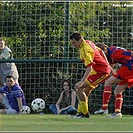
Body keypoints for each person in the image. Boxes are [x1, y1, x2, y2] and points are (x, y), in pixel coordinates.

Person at [69, 32, 111, 118]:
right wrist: (108, 64)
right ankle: (80, 112)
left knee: (78, 87)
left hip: (101, 72)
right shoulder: (88, 42)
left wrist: (82, 81)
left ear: (80, 40)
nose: (73, 45)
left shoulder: (86, 49)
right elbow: (100, 51)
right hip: (98, 71)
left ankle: (84, 113)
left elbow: (90, 68)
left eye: (74, 43)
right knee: (85, 92)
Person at [94, 43, 133, 118]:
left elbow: (130, 53)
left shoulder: (115, 52)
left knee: (108, 82)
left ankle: (104, 108)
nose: (100, 55)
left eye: (100, 52)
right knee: (118, 91)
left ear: (104, 49)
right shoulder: (110, 55)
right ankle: (117, 112)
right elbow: (110, 65)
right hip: (129, 69)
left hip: (129, 67)